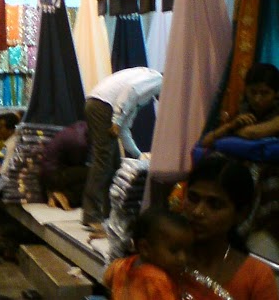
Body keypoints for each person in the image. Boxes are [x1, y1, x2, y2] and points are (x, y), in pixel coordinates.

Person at [180, 154, 279, 299]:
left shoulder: (257, 276)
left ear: (241, 214)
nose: (197, 212)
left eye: (214, 205)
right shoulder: (160, 257)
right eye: (193, 199)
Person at [82, 66, 162, 228]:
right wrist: (117, 120)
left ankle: (106, 213)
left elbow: (124, 131)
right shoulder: (159, 80)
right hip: (103, 106)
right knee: (103, 161)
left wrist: (139, 155)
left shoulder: (145, 85)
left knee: (113, 164)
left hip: (97, 103)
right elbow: (131, 91)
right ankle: (92, 216)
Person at [104, 208, 193, 300]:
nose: (183, 258)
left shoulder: (119, 265)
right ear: (145, 248)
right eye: (174, 251)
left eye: (187, 251)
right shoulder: (158, 280)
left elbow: (107, 280)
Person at [202, 62, 279, 147]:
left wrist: (234, 130)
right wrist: (230, 126)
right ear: (246, 90)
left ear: (276, 93)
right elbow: (206, 141)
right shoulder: (245, 109)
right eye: (253, 92)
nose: (257, 99)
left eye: (264, 93)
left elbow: (251, 133)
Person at [40, 120, 90, 210]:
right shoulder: (80, 141)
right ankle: (66, 197)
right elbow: (76, 162)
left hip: (49, 172)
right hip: (53, 175)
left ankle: (57, 194)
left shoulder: (80, 128)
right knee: (92, 175)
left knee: (86, 174)